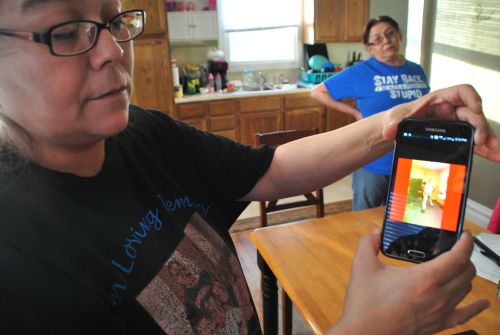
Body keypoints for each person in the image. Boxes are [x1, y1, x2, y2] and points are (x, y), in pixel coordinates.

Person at [0, 1, 499, 334]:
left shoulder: (144, 133)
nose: (113, 51)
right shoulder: (17, 268)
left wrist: (398, 119)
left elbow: (273, 168)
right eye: (67, 32)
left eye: (112, 21)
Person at [311, 15, 430, 211]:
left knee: (411, 216)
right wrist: (354, 112)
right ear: (370, 48)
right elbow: (318, 92)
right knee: (364, 219)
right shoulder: (360, 72)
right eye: (377, 39)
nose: (386, 41)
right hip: (374, 160)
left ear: (399, 35)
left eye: (390, 33)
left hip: (414, 159)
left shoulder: (416, 70)